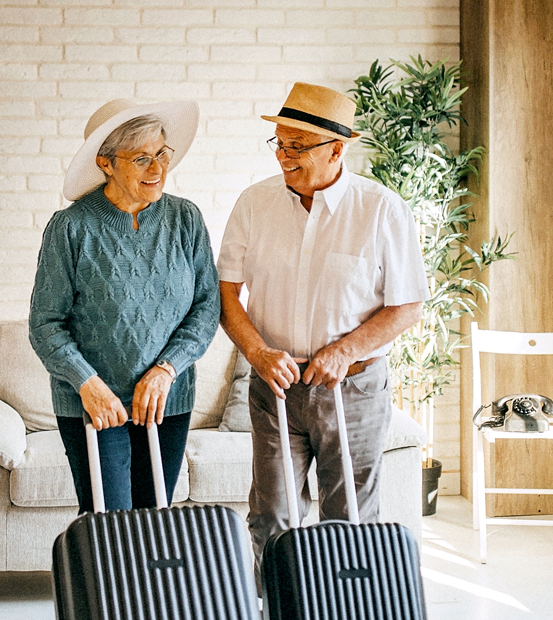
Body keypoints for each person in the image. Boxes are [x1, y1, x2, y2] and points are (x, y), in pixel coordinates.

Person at [216, 82, 429, 564]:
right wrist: (257, 353)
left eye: (297, 146)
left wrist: (346, 350)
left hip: (352, 390)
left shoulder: (382, 210)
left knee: (349, 519)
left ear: (336, 149)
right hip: (276, 389)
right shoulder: (255, 204)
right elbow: (227, 293)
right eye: (280, 143)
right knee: (272, 518)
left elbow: (407, 306)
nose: (283, 157)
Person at [30, 98, 219, 511]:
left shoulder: (185, 220)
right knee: (107, 523)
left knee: (152, 519)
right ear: (106, 163)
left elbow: (207, 306)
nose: (158, 169)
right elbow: (45, 324)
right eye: (141, 159)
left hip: (165, 400)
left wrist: (166, 371)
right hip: (94, 403)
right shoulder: (71, 228)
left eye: (161, 155)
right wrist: (87, 384)